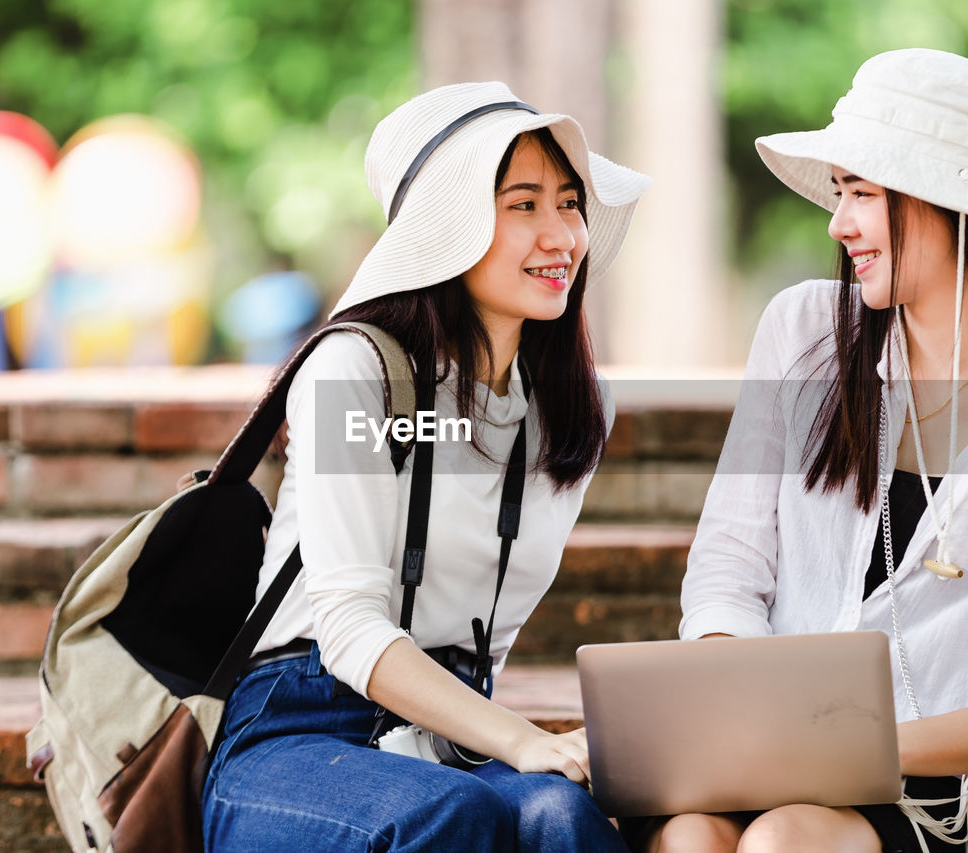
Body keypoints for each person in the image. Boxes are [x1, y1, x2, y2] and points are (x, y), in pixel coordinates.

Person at [653, 48, 968, 852]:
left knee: (783, 841)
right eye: (839, 190)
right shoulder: (804, 332)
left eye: (862, 194)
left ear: (950, 204)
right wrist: (752, 719)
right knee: (689, 834)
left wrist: (854, 753)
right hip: (764, 764)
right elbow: (726, 574)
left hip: (932, 801)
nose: (836, 222)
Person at [201, 82, 649, 852]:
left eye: (569, 203)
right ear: (450, 227)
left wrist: (511, 743)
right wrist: (519, 738)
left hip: (442, 743)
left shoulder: (568, 408)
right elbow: (346, 629)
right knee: (451, 815)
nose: (562, 235)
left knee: (562, 819)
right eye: (523, 205)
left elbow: (487, 637)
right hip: (292, 734)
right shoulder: (353, 371)